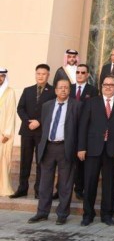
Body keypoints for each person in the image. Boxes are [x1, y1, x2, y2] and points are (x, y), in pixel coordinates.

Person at [28, 79, 81, 226]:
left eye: (66, 88)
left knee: (65, 184)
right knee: (45, 183)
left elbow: (80, 129)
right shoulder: (47, 105)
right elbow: (45, 126)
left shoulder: (77, 106)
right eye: (60, 87)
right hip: (48, 147)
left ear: (69, 90)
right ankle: (42, 212)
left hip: (66, 148)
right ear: (56, 90)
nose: (63, 90)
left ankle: (62, 214)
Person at [77, 73, 114, 226]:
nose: (108, 87)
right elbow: (83, 126)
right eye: (105, 85)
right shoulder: (91, 102)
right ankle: (88, 214)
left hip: (112, 150)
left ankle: (107, 215)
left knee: (109, 185)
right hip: (92, 149)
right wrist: (81, 147)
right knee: (90, 183)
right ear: (101, 86)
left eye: (111, 85)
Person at [11, 63, 55, 199]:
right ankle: (22, 188)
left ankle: (38, 190)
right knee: (25, 161)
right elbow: (20, 108)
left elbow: (52, 110)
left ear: (48, 75)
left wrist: (39, 121)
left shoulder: (53, 91)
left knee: (40, 162)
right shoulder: (27, 90)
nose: (40, 76)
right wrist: (28, 121)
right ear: (35, 74)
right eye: (38, 73)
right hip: (27, 131)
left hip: (42, 132)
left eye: (43, 74)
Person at [70, 63, 98, 198]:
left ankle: (79, 189)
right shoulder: (68, 88)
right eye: (78, 72)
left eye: (83, 72)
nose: (80, 75)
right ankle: (61, 189)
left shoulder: (93, 90)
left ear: (87, 75)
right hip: (69, 130)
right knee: (67, 161)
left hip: (85, 130)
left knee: (81, 162)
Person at [0, 68, 16, 196]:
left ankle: (3, 188)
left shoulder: (10, 92)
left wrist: (7, 133)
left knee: (3, 161)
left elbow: (11, 113)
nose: (0, 78)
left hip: (3, 134)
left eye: (2, 76)